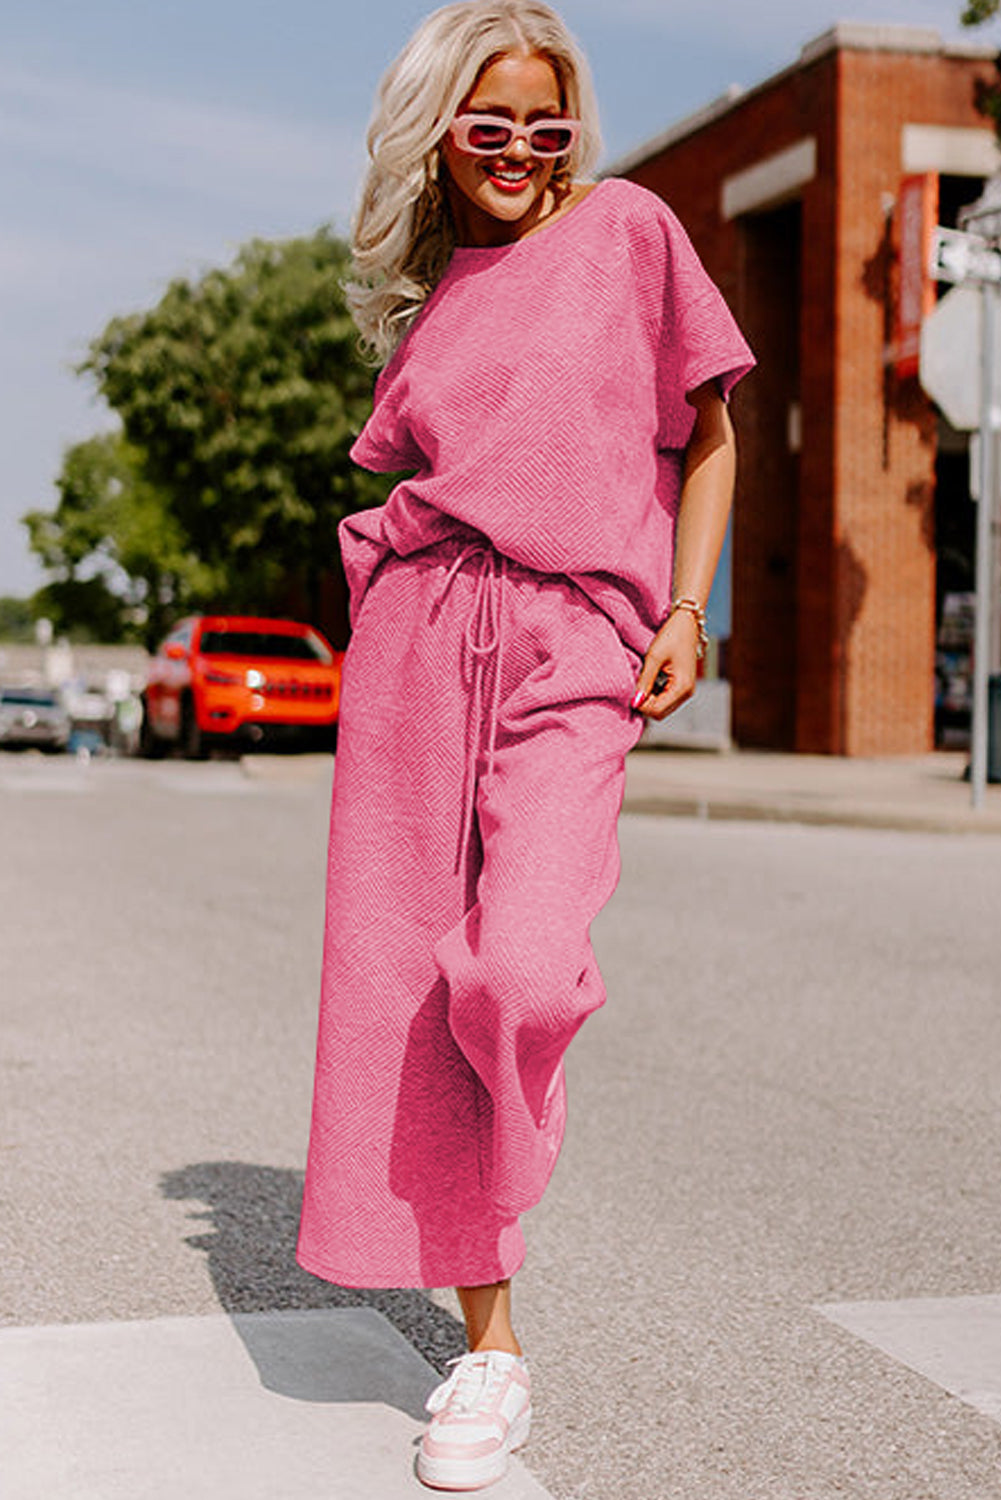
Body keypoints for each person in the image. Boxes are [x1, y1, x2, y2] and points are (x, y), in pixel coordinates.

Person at [297, 1, 754, 1489]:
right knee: (400, 999)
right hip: (422, 647)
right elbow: (418, 475)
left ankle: (517, 1097)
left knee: (515, 969)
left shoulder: (628, 231)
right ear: (441, 133)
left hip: (579, 641)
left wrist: (686, 612)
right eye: (484, 125)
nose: (514, 152)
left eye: (541, 126)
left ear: (574, 135)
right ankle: (489, 1350)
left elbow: (710, 431)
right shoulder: (436, 302)